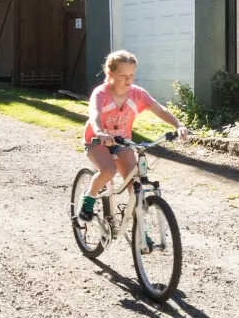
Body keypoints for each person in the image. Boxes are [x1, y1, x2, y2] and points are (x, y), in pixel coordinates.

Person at [80, 50, 187, 221]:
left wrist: (178, 125)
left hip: (123, 143)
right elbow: (95, 115)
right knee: (108, 170)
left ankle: (141, 236)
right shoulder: (101, 94)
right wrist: (100, 132)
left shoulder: (137, 93)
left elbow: (160, 109)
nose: (129, 80)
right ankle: (89, 198)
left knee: (135, 185)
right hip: (97, 140)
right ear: (110, 73)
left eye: (132, 75)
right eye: (123, 75)